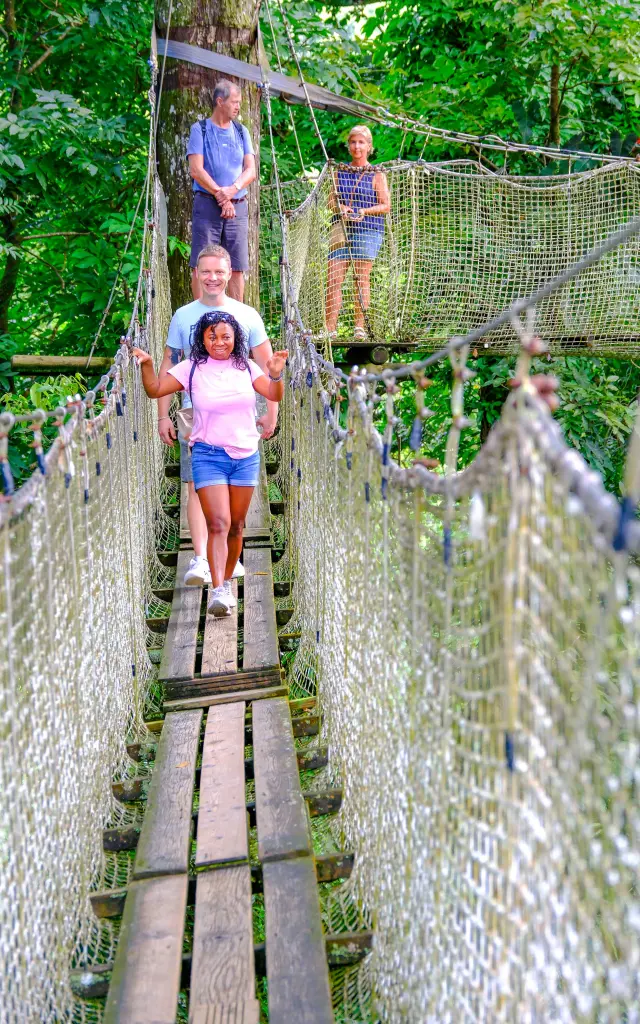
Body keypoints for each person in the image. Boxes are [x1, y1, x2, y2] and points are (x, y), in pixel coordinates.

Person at [134, 312, 288, 617]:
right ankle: (218, 590)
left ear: (236, 339)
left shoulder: (246, 366)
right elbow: (154, 390)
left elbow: (272, 393)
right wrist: (149, 365)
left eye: (225, 337)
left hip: (245, 456)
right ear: (202, 339)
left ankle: (226, 581)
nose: (219, 342)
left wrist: (275, 374)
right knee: (219, 523)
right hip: (207, 454)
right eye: (212, 336)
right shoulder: (190, 367)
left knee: (236, 526)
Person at [157, 244, 278, 588]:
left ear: (230, 275)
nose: (212, 278)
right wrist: (162, 416)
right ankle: (201, 559)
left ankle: (222, 558)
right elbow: (168, 365)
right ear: (195, 273)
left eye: (219, 272)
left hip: (238, 415)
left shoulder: (247, 315)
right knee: (197, 484)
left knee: (230, 511)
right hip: (195, 411)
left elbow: (269, 369)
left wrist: (271, 411)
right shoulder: (183, 316)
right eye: (205, 271)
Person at [187, 79, 256, 302]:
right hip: (207, 205)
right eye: (234, 102)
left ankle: (235, 319)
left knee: (237, 265)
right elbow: (196, 170)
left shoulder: (241, 130)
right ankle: (200, 316)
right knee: (202, 264)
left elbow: (251, 170)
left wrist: (232, 190)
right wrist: (221, 195)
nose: (238, 107)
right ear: (220, 102)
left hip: (237, 207)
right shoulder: (200, 130)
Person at [325, 126, 390, 341]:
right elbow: (330, 201)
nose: (357, 146)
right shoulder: (340, 171)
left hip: (368, 229)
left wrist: (363, 211)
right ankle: (330, 330)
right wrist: (340, 208)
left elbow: (385, 205)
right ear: (349, 145)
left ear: (369, 147)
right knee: (333, 278)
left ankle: (359, 329)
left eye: (362, 142)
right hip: (341, 229)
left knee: (360, 279)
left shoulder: (376, 173)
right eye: (353, 142)